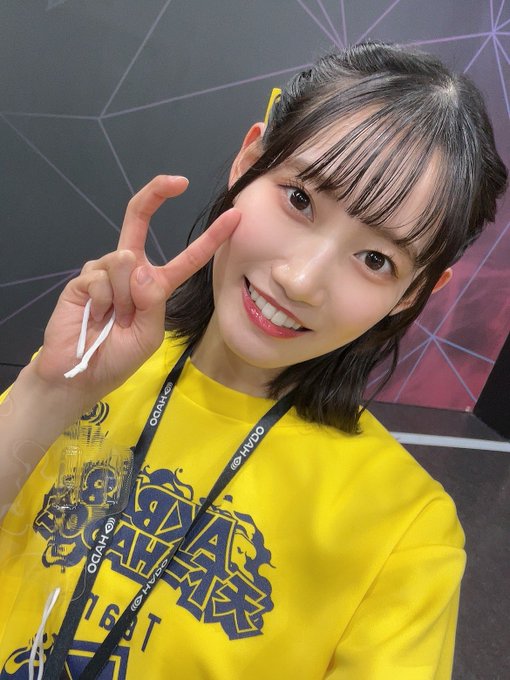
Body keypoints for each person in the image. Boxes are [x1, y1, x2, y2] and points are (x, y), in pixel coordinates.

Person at [0, 41, 506, 679]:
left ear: (415, 293)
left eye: (376, 259)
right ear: (249, 160)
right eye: (300, 200)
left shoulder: (406, 530)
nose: (300, 279)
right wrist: (51, 391)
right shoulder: (85, 369)